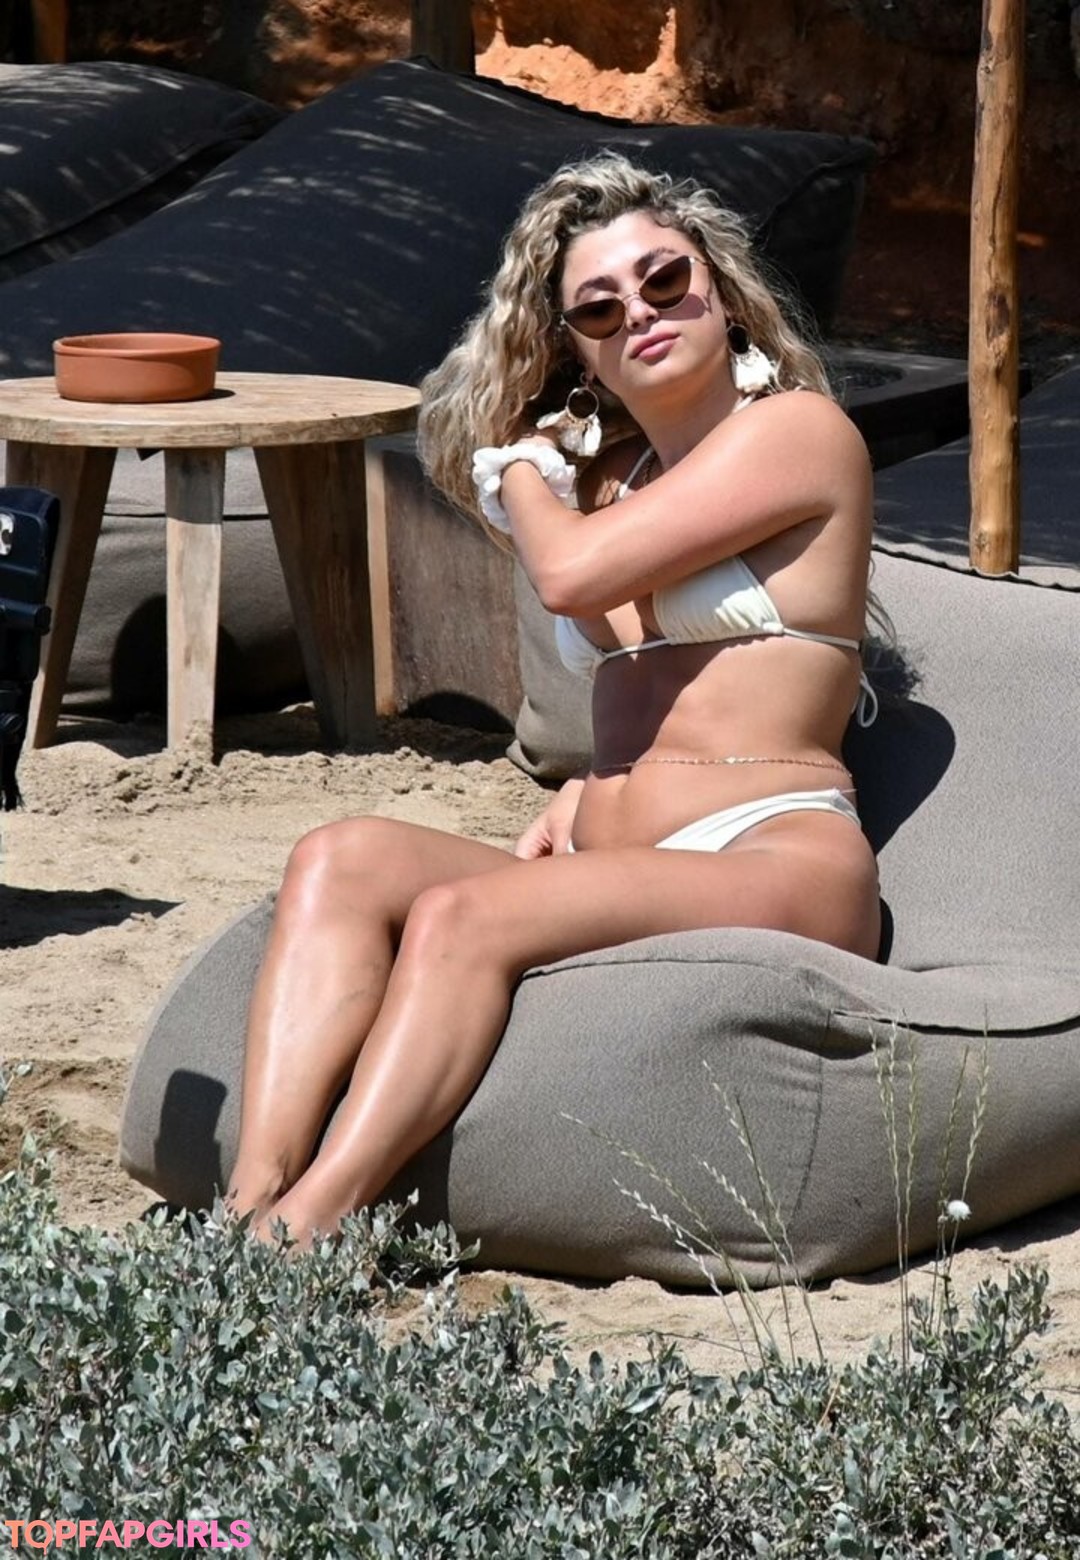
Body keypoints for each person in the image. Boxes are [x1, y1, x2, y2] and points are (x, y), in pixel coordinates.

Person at [226, 153, 882, 1246]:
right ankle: (248, 1201)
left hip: (774, 852)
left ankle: (307, 1233)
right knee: (339, 855)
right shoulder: (613, 480)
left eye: (665, 279)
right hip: (630, 859)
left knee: (460, 911)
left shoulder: (796, 433)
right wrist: (593, 791)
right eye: (600, 307)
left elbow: (574, 578)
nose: (642, 313)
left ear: (721, 290)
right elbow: (656, 681)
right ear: (577, 347)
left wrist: (520, 468)